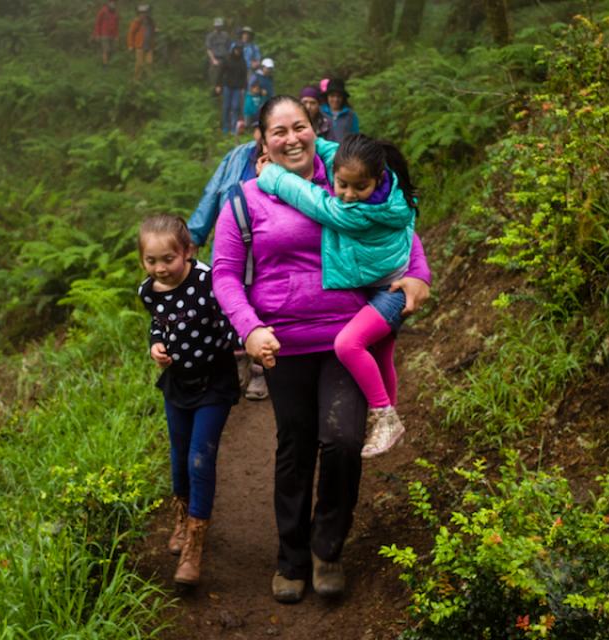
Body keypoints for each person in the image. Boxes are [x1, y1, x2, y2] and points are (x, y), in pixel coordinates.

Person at [211, 96, 431, 603]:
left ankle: (326, 549)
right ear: (261, 142)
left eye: (300, 127)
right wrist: (248, 328)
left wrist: (418, 277)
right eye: (279, 131)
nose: (292, 138)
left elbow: (398, 229)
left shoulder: (348, 180)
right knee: (295, 446)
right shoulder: (245, 199)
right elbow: (224, 273)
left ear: (316, 130)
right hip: (282, 343)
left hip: (348, 335)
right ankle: (290, 558)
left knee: (342, 440)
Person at [256, 133, 418, 458]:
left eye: (360, 187)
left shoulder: (358, 212)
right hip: (384, 283)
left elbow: (310, 199)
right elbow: (334, 153)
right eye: (342, 184)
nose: (348, 195)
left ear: (378, 178)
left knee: (348, 345)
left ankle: (384, 414)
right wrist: (308, 137)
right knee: (382, 353)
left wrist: (272, 174)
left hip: (392, 289)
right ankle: (389, 420)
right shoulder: (385, 183)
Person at [138, 214, 240, 587]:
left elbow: (229, 315)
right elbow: (157, 323)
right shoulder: (149, 291)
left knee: (200, 457)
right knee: (179, 457)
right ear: (142, 261)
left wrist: (245, 339)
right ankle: (181, 518)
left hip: (215, 382)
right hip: (178, 384)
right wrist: (155, 345)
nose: (161, 268)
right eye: (151, 261)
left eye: (168, 259)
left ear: (188, 252)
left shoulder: (208, 281)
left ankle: (195, 544)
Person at [187, 119, 270, 402]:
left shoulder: (283, 159)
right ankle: (238, 362)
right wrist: (194, 235)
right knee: (228, 299)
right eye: (261, 128)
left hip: (266, 245)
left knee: (262, 300)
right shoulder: (236, 157)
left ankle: (260, 369)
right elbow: (213, 193)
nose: (263, 135)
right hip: (232, 240)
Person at [218, 44, 248, 136]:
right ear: (233, 50)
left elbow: (244, 76)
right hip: (228, 86)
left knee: (235, 107)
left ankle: (234, 128)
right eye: (236, 50)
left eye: (239, 50)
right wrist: (218, 85)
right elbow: (221, 72)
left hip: (237, 88)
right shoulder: (227, 60)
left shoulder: (242, 62)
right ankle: (225, 128)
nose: (238, 51)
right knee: (226, 107)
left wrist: (244, 87)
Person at [127, 5, 156, 82]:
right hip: (140, 46)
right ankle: (136, 79)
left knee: (149, 63)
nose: (143, 14)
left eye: (145, 13)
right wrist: (130, 45)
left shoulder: (151, 21)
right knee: (139, 64)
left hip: (149, 46)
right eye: (142, 13)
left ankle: (150, 80)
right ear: (139, 13)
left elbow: (153, 30)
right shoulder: (136, 22)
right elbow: (131, 33)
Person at [205, 17, 231, 93]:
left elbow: (229, 47)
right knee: (214, 78)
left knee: (225, 78)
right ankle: (213, 95)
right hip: (215, 58)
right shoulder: (210, 36)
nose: (218, 27)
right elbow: (208, 49)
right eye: (217, 26)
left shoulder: (226, 35)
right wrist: (213, 60)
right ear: (214, 26)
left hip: (225, 58)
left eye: (220, 25)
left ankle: (223, 94)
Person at [91, 0, 119, 66]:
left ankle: (109, 63)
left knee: (112, 50)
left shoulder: (115, 13)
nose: (112, 4)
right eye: (111, 2)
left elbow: (117, 25)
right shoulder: (103, 11)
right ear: (108, 3)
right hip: (104, 34)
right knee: (106, 50)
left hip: (112, 35)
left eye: (114, 2)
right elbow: (97, 23)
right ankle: (105, 65)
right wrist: (97, 34)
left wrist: (117, 36)